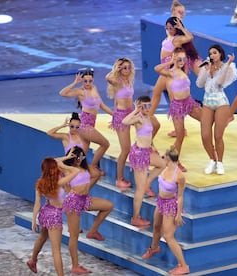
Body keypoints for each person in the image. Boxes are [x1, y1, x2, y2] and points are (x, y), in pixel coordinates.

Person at [62, 146, 113, 274]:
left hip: (84, 199)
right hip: (73, 203)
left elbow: (96, 174)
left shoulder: (84, 168)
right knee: (74, 236)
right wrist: (68, 158)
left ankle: (93, 231)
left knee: (108, 206)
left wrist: (84, 163)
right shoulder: (68, 169)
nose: (78, 159)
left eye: (80, 156)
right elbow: (55, 162)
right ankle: (75, 266)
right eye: (75, 156)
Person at [26, 154, 80, 275]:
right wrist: (62, 164)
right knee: (56, 251)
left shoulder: (40, 182)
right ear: (54, 168)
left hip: (45, 212)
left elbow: (37, 204)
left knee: (42, 237)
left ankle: (33, 260)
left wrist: (33, 221)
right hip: (55, 216)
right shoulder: (59, 182)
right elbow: (76, 170)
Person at [149, 16, 201, 138]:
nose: (168, 29)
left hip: (170, 68)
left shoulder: (177, 39)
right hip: (168, 66)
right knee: (164, 96)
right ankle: (178, 129)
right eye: (166, 27)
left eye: (171, 27)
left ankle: (150, 117)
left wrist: (181, 28)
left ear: (175, 28)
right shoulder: (170, 36)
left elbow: (190, 37)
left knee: (170, 99)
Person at [141, 145, 189, 275]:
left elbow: (180, 196)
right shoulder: (165, 168)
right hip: (160, 202)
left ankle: (183, 265)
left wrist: (178, 214)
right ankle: (154, 248)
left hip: (170, 205)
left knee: (168, 236)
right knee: (156, 226)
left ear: (168, 158)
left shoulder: (179, 176)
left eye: (164, 157)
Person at [154, 47, 202, 172]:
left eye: (183, 59)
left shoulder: (184, 69)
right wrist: (170, 62)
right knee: (180, 136)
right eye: (179, 59)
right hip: (177, 107)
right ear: (174, 58)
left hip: (189, 102)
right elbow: (157, 69)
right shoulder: (170, 73)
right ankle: (174, 160)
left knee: (206, 120)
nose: (182, 61)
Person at [59, 68, 113, 175]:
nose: (88, 83)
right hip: (85, 125)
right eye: (85, 81)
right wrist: (75, 82)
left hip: (90, 124)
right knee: (105, 144)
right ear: (82, 81)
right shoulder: (81, 91)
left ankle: (66, 172)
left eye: (90, 81)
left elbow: (102, 105)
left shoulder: (94, 88)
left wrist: (115, 115)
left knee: (80, 155)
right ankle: (93, 167)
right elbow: (62, 93)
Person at [122, 96, 166, 227]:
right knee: (140, 190)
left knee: (162, 164)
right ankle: (135, 217)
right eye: (144, 106)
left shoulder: (148, 118)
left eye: (149, 105)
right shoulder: (139, 118)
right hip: (139, 154)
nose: (147, 108)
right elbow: (125, 121)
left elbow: (147, 136)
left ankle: (147, 183)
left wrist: (152, 147)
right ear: (140, 107)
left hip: (147, 151)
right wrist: (135, 110)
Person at [196, 44, 237, 175]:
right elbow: (199, 84)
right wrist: (206, 71)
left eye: (215, 52)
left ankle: (220, 162)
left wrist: (226, 65)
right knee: (205, 135)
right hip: (207, 101)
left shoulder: (228, 67)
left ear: (220, 54)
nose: (212, 55)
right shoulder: (207, 67)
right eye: (210, 53)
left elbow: (220, 83)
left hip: (221, 101)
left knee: (218, 135)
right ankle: (212, 159)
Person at [105, 57, 140, 191]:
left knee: (150, 125)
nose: (127, 70)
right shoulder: (118, 81)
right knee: (125, 149)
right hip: (122, 116)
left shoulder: (128, 81)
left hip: (130, 112)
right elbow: (108, 78)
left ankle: (149, 150)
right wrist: (116, 70)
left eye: (128, 67)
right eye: (123, 67)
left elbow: (117, 100)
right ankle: (119, 178)